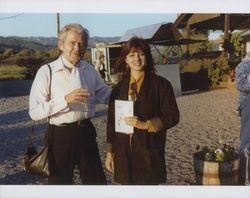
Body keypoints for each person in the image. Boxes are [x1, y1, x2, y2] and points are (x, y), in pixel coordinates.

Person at [29, 23, 111, 184]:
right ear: (61, 45)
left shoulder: (89, 70)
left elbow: (104, 94)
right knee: (60, 183)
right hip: (60, 135)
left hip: (86, 131)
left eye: (81, 44)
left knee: (96, 182)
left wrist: (125, 94)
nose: (77, 47)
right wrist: (64, 100)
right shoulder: (47, 71)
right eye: (72, 43)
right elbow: (35, 111)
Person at [104, 36, 180, 185]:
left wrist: (146, 124)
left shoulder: (161, 85)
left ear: (147, 57)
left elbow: (173, 116)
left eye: (141, 54)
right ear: (125, 59)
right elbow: (111, 123)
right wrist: (109, 153)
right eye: (132, 55)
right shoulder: (118, 89)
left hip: (148, 152)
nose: (137, 59)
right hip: (123, 153)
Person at [235, 51, 250, 184]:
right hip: (248, 104)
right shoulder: (244, 65)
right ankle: (243, 178)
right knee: (246, 141)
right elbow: (240, 85)